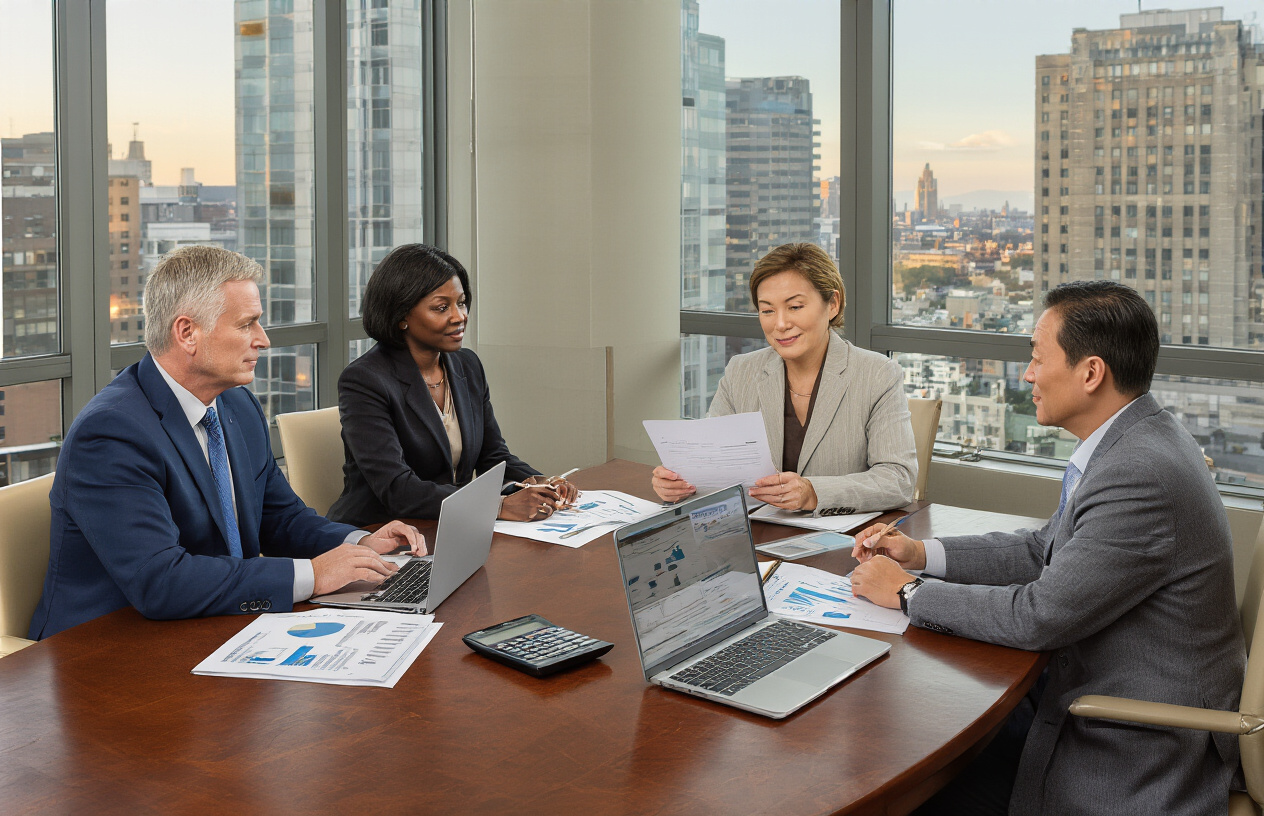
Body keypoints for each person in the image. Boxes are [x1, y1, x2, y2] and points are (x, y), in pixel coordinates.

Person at [851, 281, 1244, 815]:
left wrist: (908, 595)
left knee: (910, 788)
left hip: (1128, 745)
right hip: (1086, 697)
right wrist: (921, 555)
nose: (1029, 375)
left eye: (1037, 359)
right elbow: (1044, 551)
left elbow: (1039, 617)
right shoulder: (1135, 438)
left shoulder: (1139, 473)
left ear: (1090, 373)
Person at [29, 246, 426, 640]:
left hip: (211, 626)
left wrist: (359, 544)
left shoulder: (235, 403)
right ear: (187, 333)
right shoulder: (111, 433)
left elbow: (279, 517)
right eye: (247, 324)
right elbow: (160, 582)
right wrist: (314, 574)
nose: (264, 340)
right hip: (104, 650)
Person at [652, 242, 916, 514]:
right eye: (767, 310)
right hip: (758, 536)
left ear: (833, 304)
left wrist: (813, 492)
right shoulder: (740, 371)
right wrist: (680, 483)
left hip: (845, 542)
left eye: (795, 307)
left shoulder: (877, 374)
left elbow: (898, 479)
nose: (780, 324)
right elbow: (712, 467)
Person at [327, 243, 577, 527]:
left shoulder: (467, 365)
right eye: (441, 307)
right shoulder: (364, 380)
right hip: (380, 533)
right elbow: (397, 490)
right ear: (401, 316)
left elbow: (493, 456)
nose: (460, 317)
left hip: (450, 525)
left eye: (461, 302)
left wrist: (540, 482)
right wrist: (498, 505)